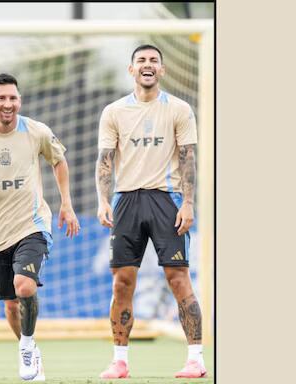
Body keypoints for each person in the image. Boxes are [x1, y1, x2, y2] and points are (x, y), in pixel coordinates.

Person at [0, 73, 80, 381]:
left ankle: (25, 346)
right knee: (11, 305)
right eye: (2, 98)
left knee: (25, 286)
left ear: (19, 101)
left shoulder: (37, 131)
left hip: (32, 223)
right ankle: (29, 346)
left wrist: (66, 203)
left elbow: (58, 161)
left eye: (13, 98)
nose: (8, 104)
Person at [95, 45, 206, 379]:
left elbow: (188, 157)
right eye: (141, 61)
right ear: (132, 70)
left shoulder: (179, 109)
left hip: (166, 200)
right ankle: (120, 360)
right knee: (122, 283)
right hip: (126, 200)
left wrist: (188, 203)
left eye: (153, 61)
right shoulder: (113, 111)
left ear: (162, 70)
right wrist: (103, 200)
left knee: (178, 277)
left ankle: (196, 358)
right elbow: (105, 160)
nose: (147, 65)